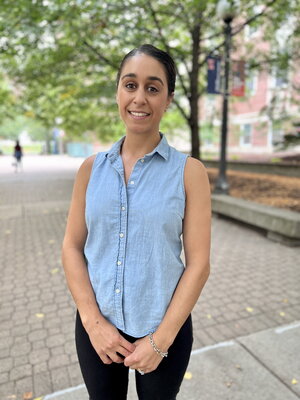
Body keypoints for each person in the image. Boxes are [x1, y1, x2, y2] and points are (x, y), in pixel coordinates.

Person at [62, 44, 211, 400]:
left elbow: (199, 264)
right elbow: (71, 247)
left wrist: (160, 341)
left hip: (164, 330)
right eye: (130, 85)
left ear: (168, 98)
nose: (139, 98)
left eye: (153, 87)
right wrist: (93, 322)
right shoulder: (90, 169)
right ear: (118, 91)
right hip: (98, 329)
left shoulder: (189, 172)